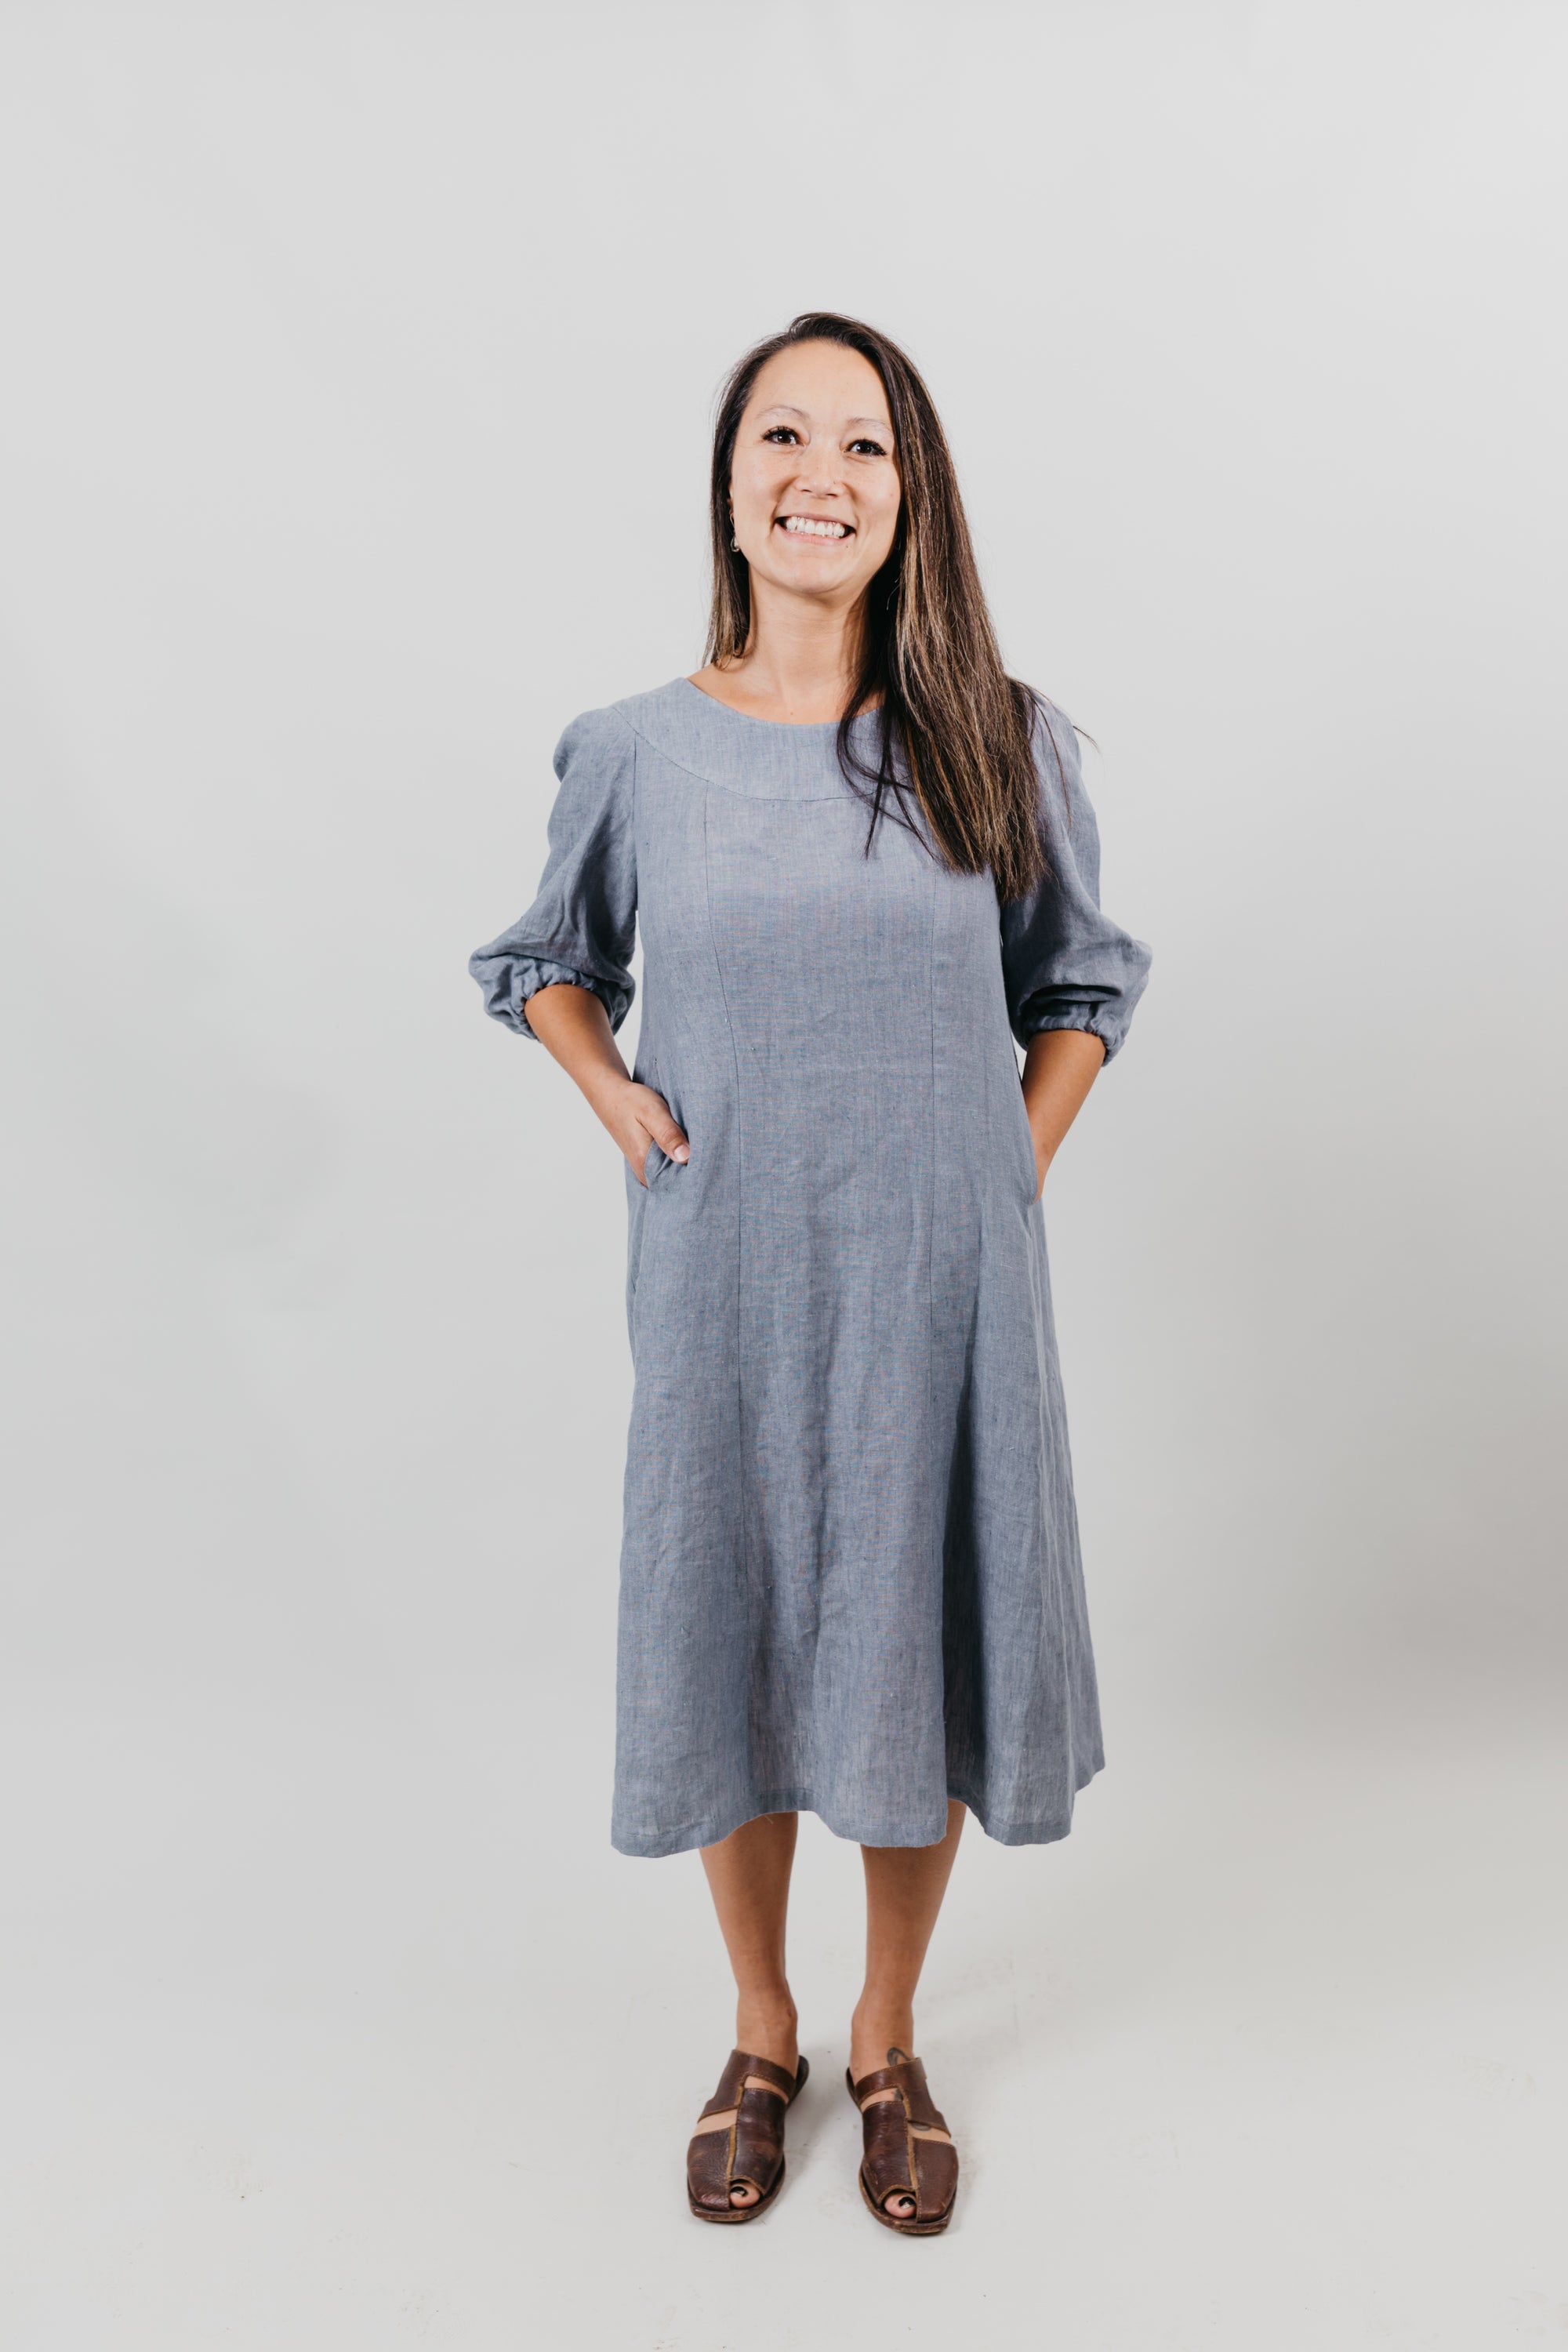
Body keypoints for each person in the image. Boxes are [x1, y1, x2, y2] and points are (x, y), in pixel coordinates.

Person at [469, 312, 1151, 2234]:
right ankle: (759, 2030)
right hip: (726, 1276)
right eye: (784, 436)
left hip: (945, 1283)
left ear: (908, 492)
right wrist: (611, 1095)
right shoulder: (636, 752)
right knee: (742, 1616)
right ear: (732, 482)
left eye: (863, 444)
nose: (820, 474)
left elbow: (1084, 984)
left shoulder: (998, 737)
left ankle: (883, 2032)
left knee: (916, 1622)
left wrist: (1003, 1164)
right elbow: (541, 958)